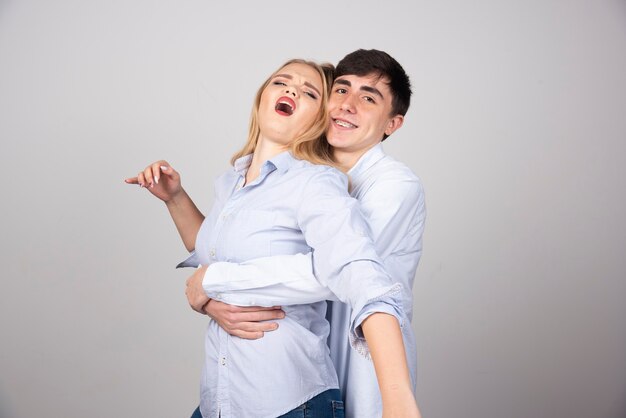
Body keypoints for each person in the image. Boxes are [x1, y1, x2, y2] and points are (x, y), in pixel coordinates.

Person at [126, 58, 420, 418]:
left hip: (289, 400)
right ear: (261, 96)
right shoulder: (232, 182)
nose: (292, 90)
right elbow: (216, 249)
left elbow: (355, 273)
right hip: (222, 399)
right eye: (281, 82)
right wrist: (175, 198)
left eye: (310, 91)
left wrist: (398, 402)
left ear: (317, 119)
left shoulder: (320, 182)